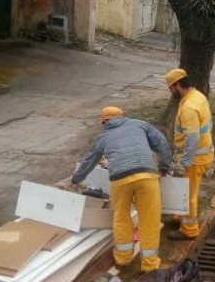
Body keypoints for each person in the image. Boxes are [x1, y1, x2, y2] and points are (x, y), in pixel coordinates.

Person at [70, 106, 172, 273]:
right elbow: (161, 142)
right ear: (121, 116)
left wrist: (76, 179)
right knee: (149, 219)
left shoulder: (103, 136)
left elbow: (89, 161)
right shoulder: (139, 124)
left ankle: (123, 259)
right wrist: (164, 165)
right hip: (147, 176)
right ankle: (150, 264)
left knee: (122, 217)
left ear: (105, 122)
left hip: (120, 180)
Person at [164, 68, 214, 241]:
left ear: (178, 85)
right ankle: (180, 216)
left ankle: (189, 229)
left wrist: (185, 162)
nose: (170, 91)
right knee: (184, 189)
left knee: (189, 194)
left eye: (171, 87)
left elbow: (192, 138)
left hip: (194, 159)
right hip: (203, 153)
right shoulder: (197, 96)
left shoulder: (189, 108)